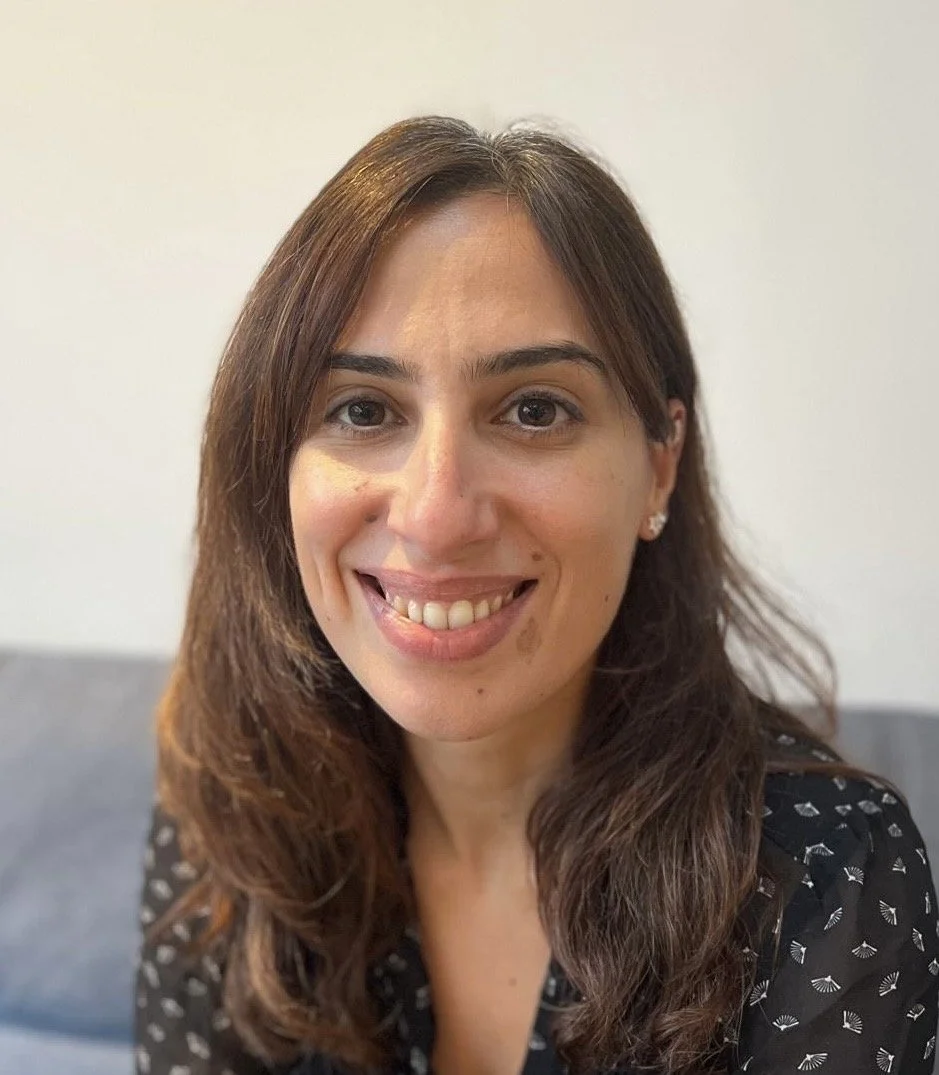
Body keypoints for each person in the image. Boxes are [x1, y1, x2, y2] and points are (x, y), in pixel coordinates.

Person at [134, 115, 938, 1075]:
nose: (436, 515)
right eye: (362, 410)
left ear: (657, 467)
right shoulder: (231, 813)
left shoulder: (825, 872)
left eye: (533, 409)